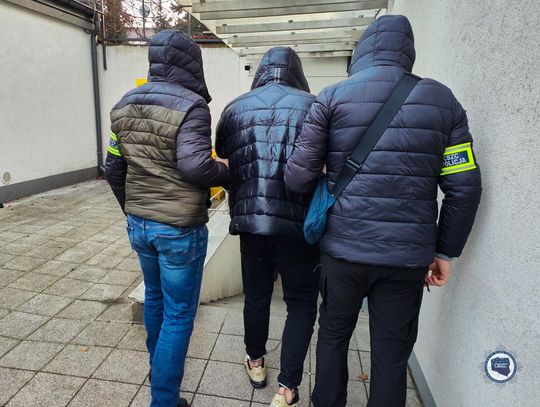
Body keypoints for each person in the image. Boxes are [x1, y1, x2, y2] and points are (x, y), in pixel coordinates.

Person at [284, 15, 482, 407]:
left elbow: (296, 178)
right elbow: (465, 188)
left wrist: (327, 168)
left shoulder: (332, 97)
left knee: (333, 335)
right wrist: (444, 251)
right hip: (407, 258)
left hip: (342, 252)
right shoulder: (443, 101)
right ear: (408, 51)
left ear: (362, 51)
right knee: (392, 352)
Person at [104, 30, 228, 407]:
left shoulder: (124, 104)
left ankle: (159, 372)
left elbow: (113, 167)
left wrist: (133, 208)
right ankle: (163, 400)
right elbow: (195, 165)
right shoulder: (192, 106)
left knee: (155, 298)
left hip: (140, 224)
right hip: (178, 230)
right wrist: (226, 171)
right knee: (178, 314)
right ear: (192, 63)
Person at [215, 47, 319, 407]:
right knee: (301, 303)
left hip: (251, 223)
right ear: (297, 72)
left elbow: (224, 155)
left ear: (261, 71)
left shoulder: (235, 108)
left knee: (256, 296)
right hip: (299, 226)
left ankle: (256, 362)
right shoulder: (314, 107)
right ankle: (287, 387)